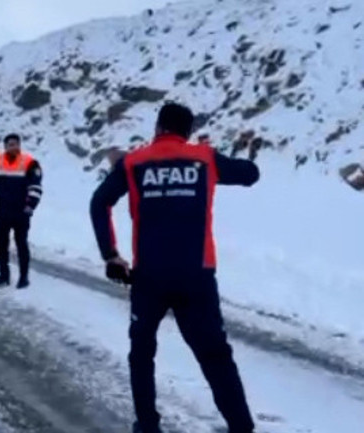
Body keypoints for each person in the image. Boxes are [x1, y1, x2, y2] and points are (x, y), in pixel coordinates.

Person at [90, 103, 259, 433]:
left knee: (142, 354)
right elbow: (250, 175)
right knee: (215, 356)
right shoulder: (205, 158)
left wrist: (111, 255)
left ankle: (148, 426)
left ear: (158, 127)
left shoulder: (134, 161)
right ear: (188, 131)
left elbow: (99, 203)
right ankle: (241, 427)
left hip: (149, 276)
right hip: (197, 274)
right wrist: (236, 155)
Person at [0, 133, 43, 289]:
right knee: (0, 245)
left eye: (16, 144)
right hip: (2, 211)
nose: (13, 147)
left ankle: (24, 278)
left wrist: (30, 206)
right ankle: (4, 275)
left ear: (19, 145)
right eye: (10, 144)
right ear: (5, 147)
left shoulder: (30, 163)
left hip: (21, 212)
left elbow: (36, 187)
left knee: (21, 244)